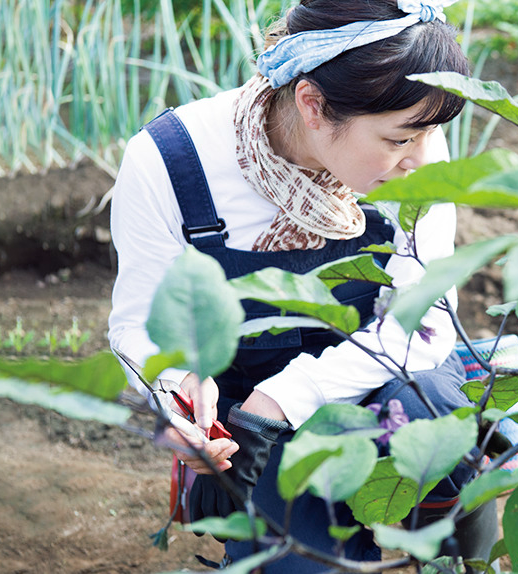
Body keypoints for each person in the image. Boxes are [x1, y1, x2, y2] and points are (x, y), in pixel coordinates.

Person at [107, 0, 498, 571]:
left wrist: (283, 398)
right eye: (399, 139)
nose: (424, 157)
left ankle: (458, 541)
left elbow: (423, 326)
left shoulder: (416, 158)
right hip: (251, 426)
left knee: (431, 411)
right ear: (312, 104)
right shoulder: (171, 163)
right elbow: (139, 324)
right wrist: (177, 392)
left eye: (433, 131)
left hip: (378, 382)